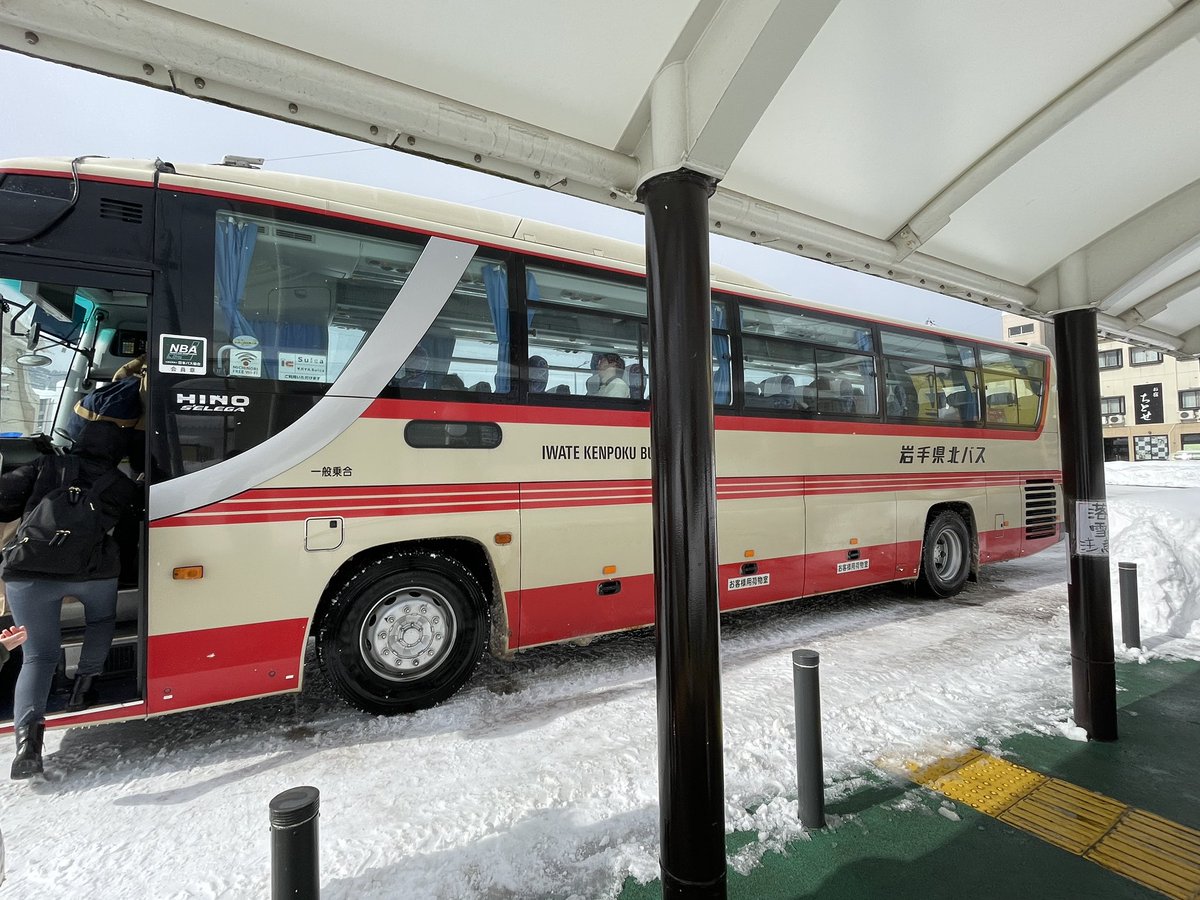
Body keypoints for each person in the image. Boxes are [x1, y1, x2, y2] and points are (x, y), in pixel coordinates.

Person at [0, 421, 142, 780]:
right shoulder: (121, 484)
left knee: (38, 655)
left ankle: (27, 746)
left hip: (30, 571)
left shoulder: (45, 465)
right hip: (93, 571)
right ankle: (84, 687)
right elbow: (130, 530)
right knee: (100, 622)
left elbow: (4, 497)